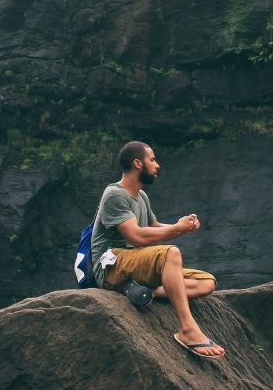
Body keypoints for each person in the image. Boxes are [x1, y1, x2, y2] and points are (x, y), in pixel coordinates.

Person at [89, 141, 225, 359]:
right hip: (111, 264)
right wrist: (177, 229)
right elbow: (136, 236)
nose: (157, 165)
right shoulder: (115, 195)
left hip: (133, 262)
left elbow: (154, 227)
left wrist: (182, 226)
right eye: (152, 159)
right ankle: (188, 330)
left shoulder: (141, 196)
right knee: (171, 253)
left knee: (207, 282)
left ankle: (141, 289)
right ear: (137, 163)